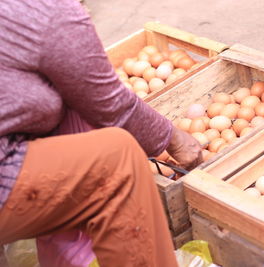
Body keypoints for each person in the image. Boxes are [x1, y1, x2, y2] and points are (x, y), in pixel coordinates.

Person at [0, 0, 203, 266]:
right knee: (117, 160)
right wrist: (177, 140)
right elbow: (109, 103)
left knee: (70, 108)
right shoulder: (44, 9)